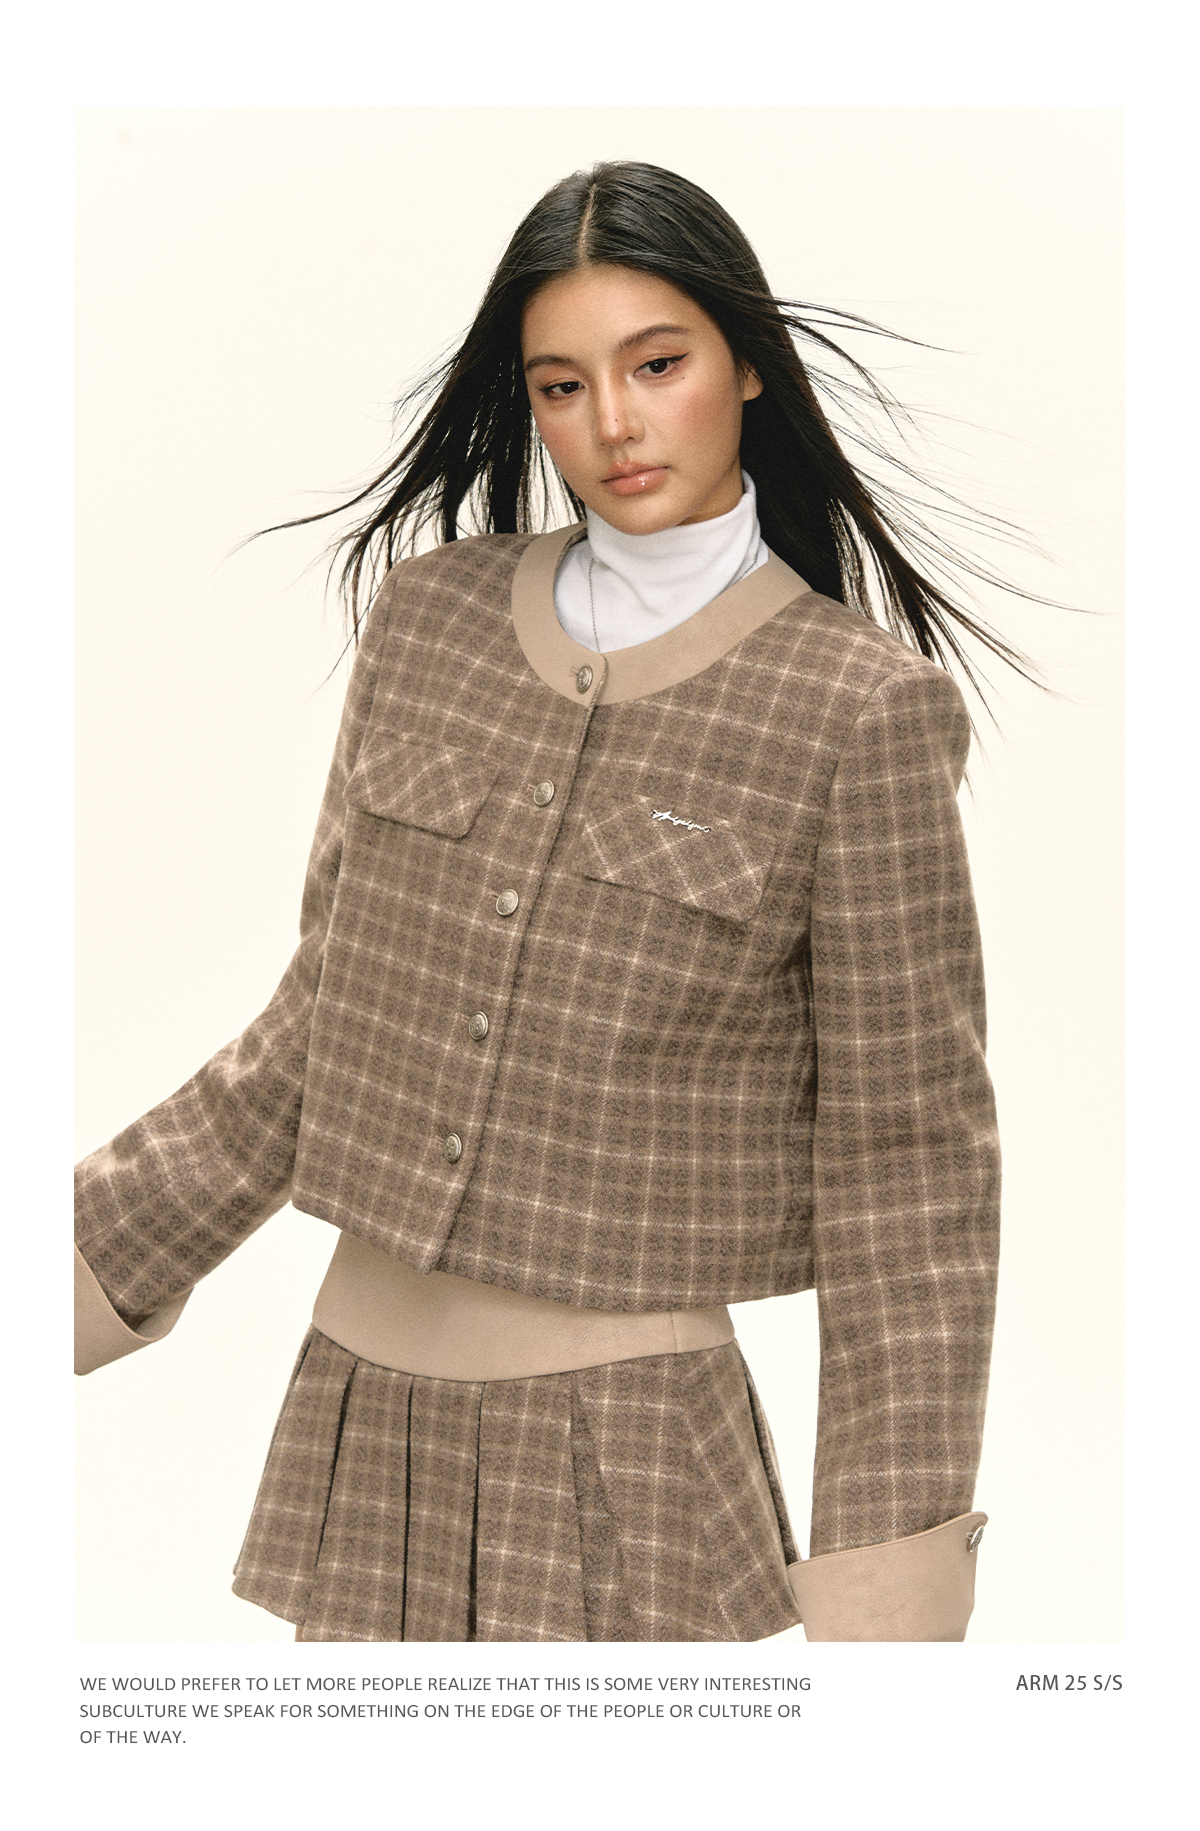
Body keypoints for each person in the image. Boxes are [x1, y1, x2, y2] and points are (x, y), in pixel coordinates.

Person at [75, 160, 1006, 1643]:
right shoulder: (429, 619)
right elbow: (320, 1028)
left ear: (746, 364)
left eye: (657, 365)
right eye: (561, 386)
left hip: (630, 1459)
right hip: (361, 1423)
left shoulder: (858, 711)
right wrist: (74, 1265)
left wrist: (886, 1620)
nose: (613, 425)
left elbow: (910, 1174)